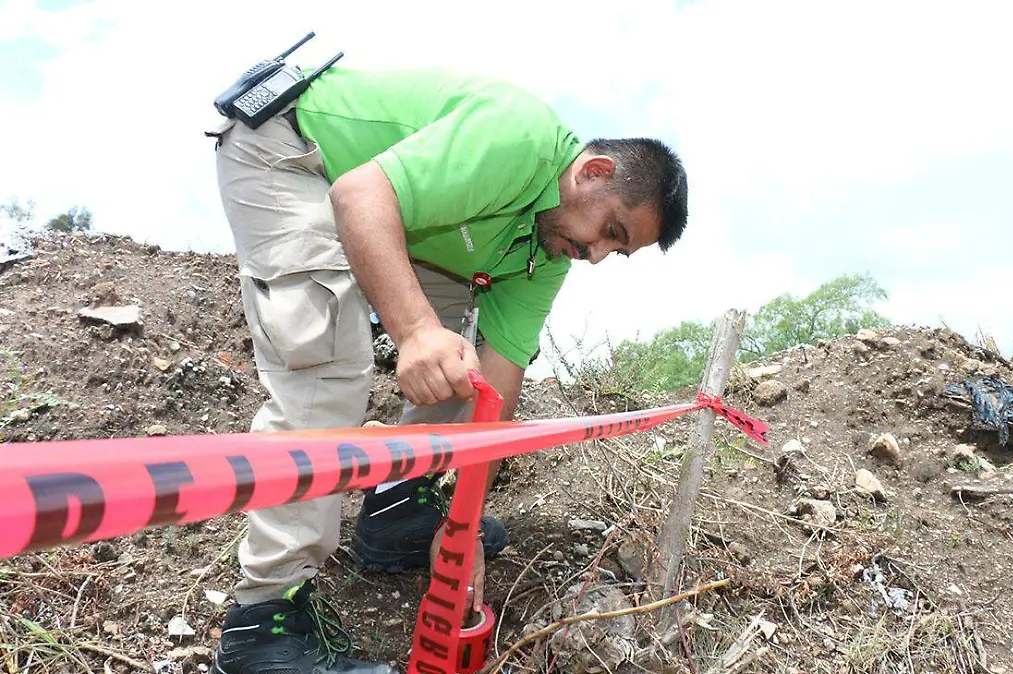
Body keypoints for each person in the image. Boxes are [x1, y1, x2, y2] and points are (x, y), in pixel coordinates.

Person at [205, 65, 689, 674]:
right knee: (326, 359)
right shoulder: (518, 138)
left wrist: (461, 523)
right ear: (593, 173)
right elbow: (360, 195)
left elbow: (501, 379)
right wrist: (412, 332)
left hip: (396, 208)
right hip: (293, 153)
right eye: (609, 232)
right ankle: (262, 622)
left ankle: (402, 506)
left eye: (616, 252)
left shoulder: (546, 250)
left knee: (466, 366)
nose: (595, 255)